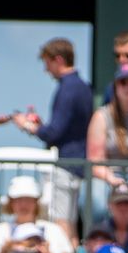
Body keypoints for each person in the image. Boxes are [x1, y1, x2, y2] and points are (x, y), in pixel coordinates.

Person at [22, 38, 94, 223]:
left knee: (62, 223)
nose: (46, 69)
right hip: (79, 164)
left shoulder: (68, 89)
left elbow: (54, 132)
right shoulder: (83, 87)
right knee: (70, 223)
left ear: (59, 60)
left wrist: (30, 127)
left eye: (48, 63)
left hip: (66, 166)